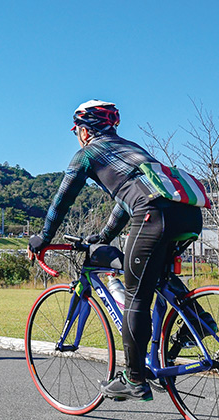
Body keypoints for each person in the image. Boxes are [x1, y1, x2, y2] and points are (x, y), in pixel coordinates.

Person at [27, 100, 208, 402]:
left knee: (136, 296)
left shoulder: (88, 154)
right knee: (158, 277)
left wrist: (44, 238)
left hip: (153, 214)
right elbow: (128, 199)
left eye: (77, 131)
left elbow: (62, 200)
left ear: (84, 131)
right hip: (188, 213)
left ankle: (134, 379)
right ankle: (201, 322)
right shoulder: (132, 149)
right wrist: (104, 236)